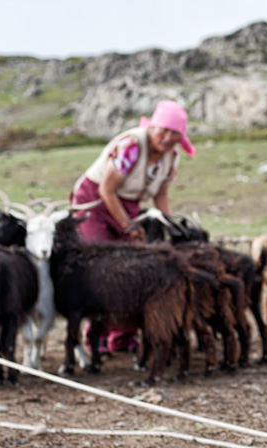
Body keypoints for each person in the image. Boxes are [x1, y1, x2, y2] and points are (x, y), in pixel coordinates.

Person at [69, 99, 196, 352]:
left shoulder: (171, 157)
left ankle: (123, 337)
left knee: (132, 269)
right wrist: (127, 225)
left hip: (127, 205)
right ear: (153, 127)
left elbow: (161, 193)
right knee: (101, 267)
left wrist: (167, 224)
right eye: (164, 130)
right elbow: (107, 190)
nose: (168, 138)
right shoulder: (131, 146)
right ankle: (97, 336)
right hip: (94, 202)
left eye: (175, 133)